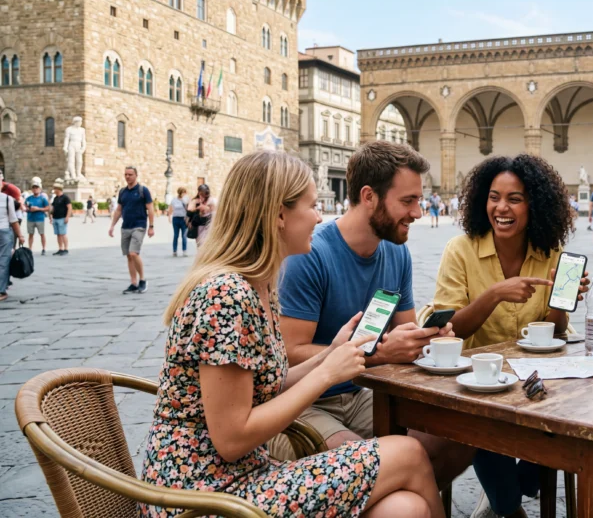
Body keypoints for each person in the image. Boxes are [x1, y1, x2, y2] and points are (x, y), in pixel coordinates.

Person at [140, 150, 444, 518]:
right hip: (204, 495)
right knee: (408, 453)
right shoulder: (226, 295)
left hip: (243, 478)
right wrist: (326, 376)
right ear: (279, 214)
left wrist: (328, 356)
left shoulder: (258, 287)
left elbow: (267, 385)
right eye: (312, 205)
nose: (320, 216)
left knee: (405, 508)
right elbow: (233, 439)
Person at [270, 141, 474, 488]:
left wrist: (426, 341)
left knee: (460, 435)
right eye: (407, 201)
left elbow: (405, 332)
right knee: (369, 465)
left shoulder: (397, 254)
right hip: (305, 402)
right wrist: (378, 353)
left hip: (367, 393)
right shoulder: (311, 254)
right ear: (369, 196)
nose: (419, 212)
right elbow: (289, 353)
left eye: (419, 200)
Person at [432, 154, 587, 518]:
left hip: (534, 376)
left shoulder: (549, 251)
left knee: (569, 417)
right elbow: (450, 328)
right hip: (475, 379)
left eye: (514, 199)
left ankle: (513, 493)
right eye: (493, 196)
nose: (501, 207)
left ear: (534, 204)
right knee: (484, 422)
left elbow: (557, 331)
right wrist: (495, 293)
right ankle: (508, 505)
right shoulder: (461, 250)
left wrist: (563, 302)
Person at [108, 166, 155, 294]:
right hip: (126, 226)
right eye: (126, 174)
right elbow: (119, 209)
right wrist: (112, 225)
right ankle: (133, 283)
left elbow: (150, 208)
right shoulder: (122, 192)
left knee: (134, 253)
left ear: (136, 175)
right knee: (129, 255)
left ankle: (143, 279)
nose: (128, 177)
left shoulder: (143, 190)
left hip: (139, 225)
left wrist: (151, 226)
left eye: (130, 174)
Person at [0, 171, 26, 303]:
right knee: (3, 261)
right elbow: (13, 220)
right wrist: (20, 235)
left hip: (4, 232)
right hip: (4, 231)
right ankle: (1, 290)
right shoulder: (7, 199)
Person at [24, 183, 49, 255]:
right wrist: (28, 209)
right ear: (32, 189)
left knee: (42, 234)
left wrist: (38, 209)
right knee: (30, 234)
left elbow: (47, 208)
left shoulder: (43, 198)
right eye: (34, 188)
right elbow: (25, 207)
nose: (35, 189)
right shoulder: (29, 198)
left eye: (36, 188)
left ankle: (43, 248)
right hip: (30, 218)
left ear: (40, 189)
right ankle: (30, 248)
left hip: (40, 218)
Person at [49, 184, 72, 256]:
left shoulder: (65, 198)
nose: (54, 190)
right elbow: (53, 208)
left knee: (63, 233)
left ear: (58, 189)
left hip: (62, 218)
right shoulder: (55, 198)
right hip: (55, 218)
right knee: (58, 234)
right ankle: (60, 248)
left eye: (55, 189)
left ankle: (66, 248)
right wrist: (50, 216)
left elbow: (69, 207)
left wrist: (67, 217)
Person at [169, 187, 189, 257]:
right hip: (176, 219)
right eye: (184, 192)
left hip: (183, 219)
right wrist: (169, 217)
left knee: (184, 236)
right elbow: (171, 208)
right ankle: (174, 250)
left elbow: (188, 209)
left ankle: (184, 250)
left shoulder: (186, 200)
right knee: (176, 235)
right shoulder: (174, 200)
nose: (185, 194)